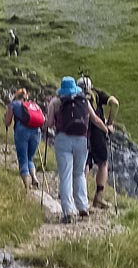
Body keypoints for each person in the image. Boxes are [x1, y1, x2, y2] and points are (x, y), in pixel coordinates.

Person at [46, 76, 110, 224]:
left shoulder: (55, 102)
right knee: (80, 173)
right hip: (82, 140)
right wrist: (106, 129)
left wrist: (44, 124)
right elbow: (95, 119)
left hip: (63, 139)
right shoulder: (84, 100)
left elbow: (49, 123)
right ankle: (83, 206)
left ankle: (68, 211)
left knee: (66, 174)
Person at [78, 76, 119, 209]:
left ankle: (80, 196)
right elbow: (115, 103)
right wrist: (110, 124)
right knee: (103, 163)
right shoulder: (96, 93)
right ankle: (98, 197)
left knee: (85, 164)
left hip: (81, 131)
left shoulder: (74, 95)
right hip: (98, 131)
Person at [4, 88, 43, 189]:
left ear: (16, 96)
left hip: (22, 131)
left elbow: (8, 122)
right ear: (26, 97)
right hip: (36, 131)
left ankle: (26, 186)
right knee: (30, 158)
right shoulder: (34, 105)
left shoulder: (14, 104)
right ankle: (34, 177)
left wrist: (5, 120)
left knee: (23, 158)